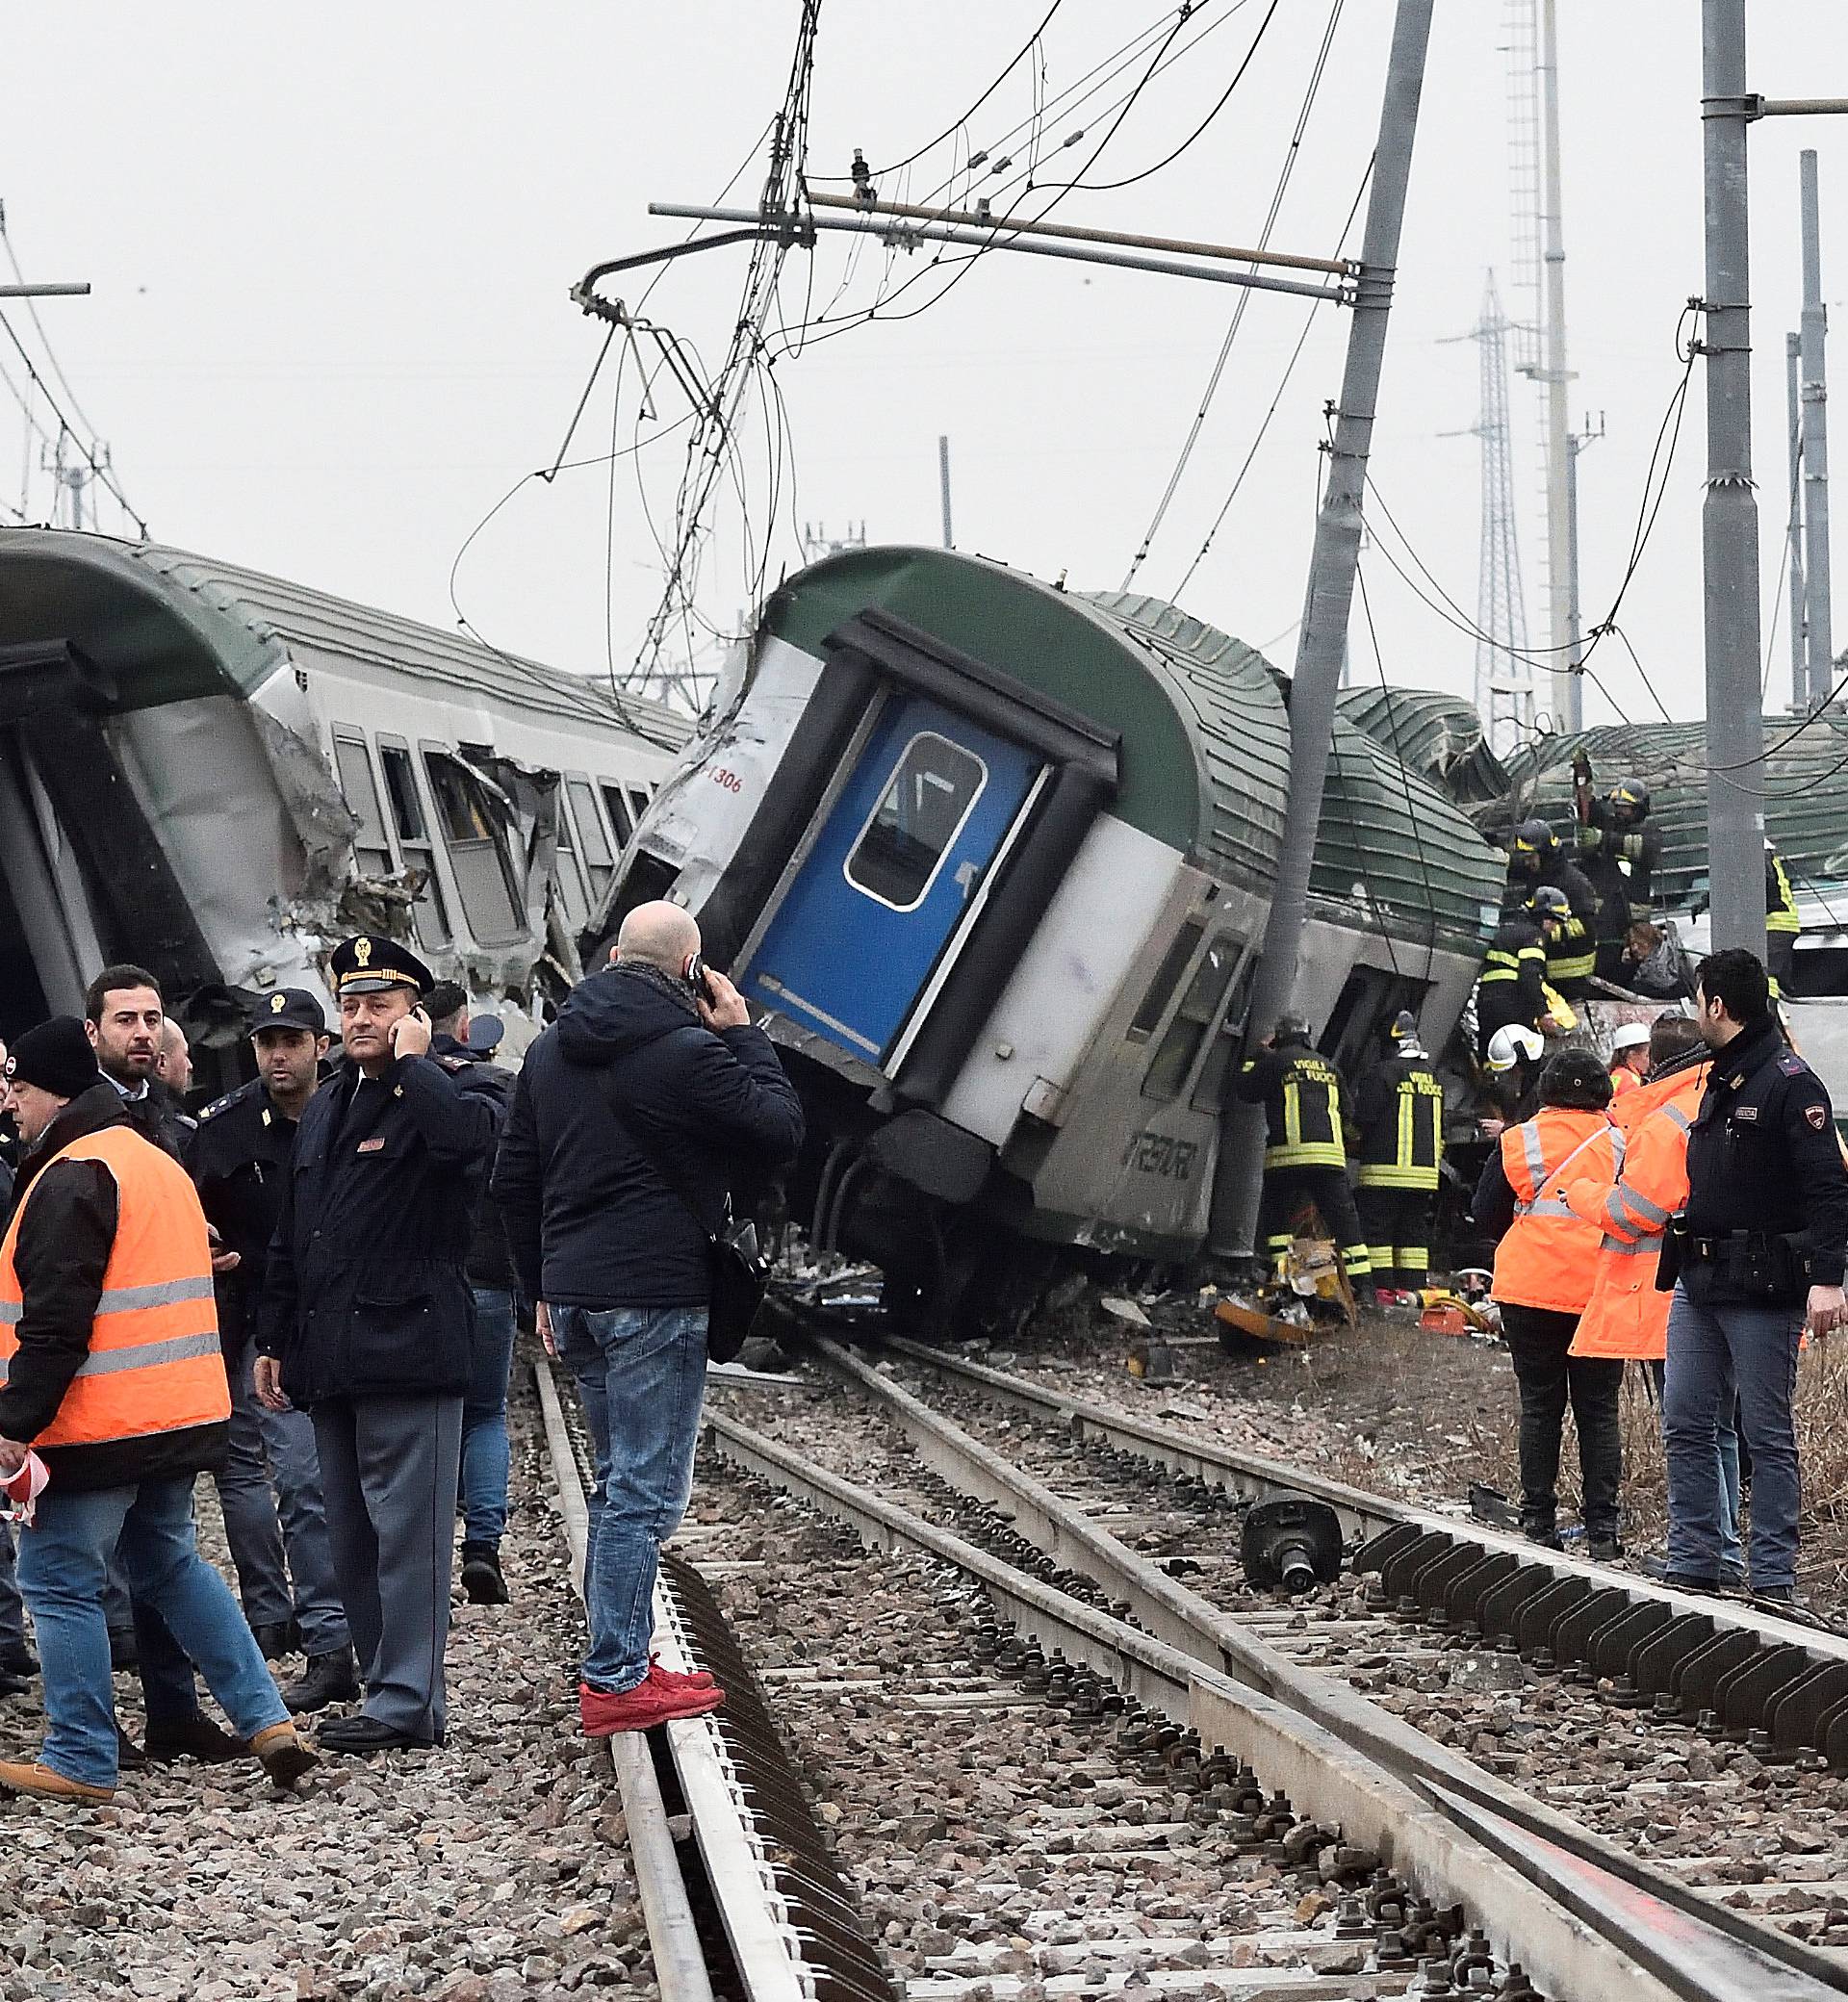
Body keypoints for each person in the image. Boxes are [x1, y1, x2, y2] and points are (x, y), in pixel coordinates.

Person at [492, 901, 803, 1735]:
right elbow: (779, 1130)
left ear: (615, 958)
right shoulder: (694, 1051)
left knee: (618, 1484)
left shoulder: (549, 1051)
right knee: (642, 1492)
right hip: (656, 1295)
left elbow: (513, 1179)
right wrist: (742, 1032)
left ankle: (623, 1649)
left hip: (580, 1296)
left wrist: (541, 1290)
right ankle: (617, 1676)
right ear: (690, 969)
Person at [0, 1018, 314, 1802]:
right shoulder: (152, 1159)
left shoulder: (73, 1173)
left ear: (57, 1092)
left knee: (59, 1580)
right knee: (170, 1563)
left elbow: (56, 1322)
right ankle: (267, 1720)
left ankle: (78, 1755)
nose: (11, 1105)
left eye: (21, 1090)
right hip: (176, 1413)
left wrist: (13, 1421)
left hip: (96, 1422)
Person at [256, 935, 502, 1752]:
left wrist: (414, 1065)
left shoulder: (453, 1087)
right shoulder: (327, 1104)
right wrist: (274, 1333)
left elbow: (469, 1147)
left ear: (414, 1017)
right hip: (331, 1353)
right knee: (350, 1532)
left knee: (409, 1537)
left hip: (409, 1346)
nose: (362, 1019)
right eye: (351, 1005)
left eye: (381, 1006)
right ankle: (379, 1684)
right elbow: (298, 1230)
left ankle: (409, 1702)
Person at [1660, 948, 1848, 1604]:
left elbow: (1829, 1189)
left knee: (1765, 1434)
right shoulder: (1723, 1076)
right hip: (1701, 1280)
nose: (1695, 1013)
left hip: (1764, 1287)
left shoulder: (1791, 1083)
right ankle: (1695, 1562)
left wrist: (1828, 1278)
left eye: (1697, 1000)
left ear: (1717, 1005)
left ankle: (1771, 1578)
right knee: (1684, 1418)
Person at [192, 988, 358, 1714]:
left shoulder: (359, 1110)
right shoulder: (226, 1134)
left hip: (359, 1320)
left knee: (366, 1482)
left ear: (322, 1045)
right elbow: (192, 1211)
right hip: (272, 1325)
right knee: (300, 1481)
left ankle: (373, 1627)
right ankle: (328, 1642)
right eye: (267, 1043)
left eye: (292, 1041)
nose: (278, 1056)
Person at [1560, 1014, 1744, 1581]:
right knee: (1724, 1427)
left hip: (1672, 1296)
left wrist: (1586, 1195)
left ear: (1655, 1062)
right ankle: (1728, 1547)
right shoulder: (1739, 1092)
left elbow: (1636, 1210)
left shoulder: (1669, 1115)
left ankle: (1705, 1551)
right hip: (1736, 1288)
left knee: (1691, 1428)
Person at [1471, 1049, 1624, 1555]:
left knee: (1541, 1407)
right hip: (1599, 1291)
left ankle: (1538, 1521)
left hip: (1529, 1290)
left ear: (1547, 1091)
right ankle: (1603, 1531)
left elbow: (1485, 1211)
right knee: (1598, 1410)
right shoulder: (1621, 1143)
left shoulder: (1520, 1140)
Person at [424, 981, 518, 1606]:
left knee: (424, 1417)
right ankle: (482, 1546)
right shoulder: (499, 1090)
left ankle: (422, 1553)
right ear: (464, 1029)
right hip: (489, 1274)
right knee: (485, 1412)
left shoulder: (391, 1086)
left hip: (422, 1280)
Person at [1237, 1016, 1375, 1307]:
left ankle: (1283, 1279)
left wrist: (1255, 1057)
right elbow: (1348, 1113)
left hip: (1287, 1159)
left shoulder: (1276, 1062)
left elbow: (1246, 1091)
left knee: (1277, 1225)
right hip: (1330, 1161)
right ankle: (1363, 1289)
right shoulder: (1329, 1066)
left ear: (1280, 1038)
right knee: (1346, 1226)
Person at [1350, 1011, 1445, 1299]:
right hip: (1424, 1176)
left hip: (1384, 1171)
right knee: (1413, 1235)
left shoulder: (1382, 1073)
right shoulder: (1431, 1075)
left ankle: (1380, 1289)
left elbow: (1363, 1120)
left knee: (1377, 1232)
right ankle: (1412, 1290)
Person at [85, 966, 194, 1162]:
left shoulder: (171, 1115)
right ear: (92, 1032)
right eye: (126, 1020)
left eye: (151, 1020)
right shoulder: (77, 1122)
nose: (143, 1033)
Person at [1574, 763, 1664, 979]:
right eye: (1618, 806)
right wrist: (1583, 780)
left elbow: (1642, 848)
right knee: (1605, 961)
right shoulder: (1610, 825)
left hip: (1633, 919)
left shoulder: (1649, 832)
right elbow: (1588, 810)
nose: (1619, 811)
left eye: (1625, 807)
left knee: (1632, 965)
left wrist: (1602, 839)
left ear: (1639, 809)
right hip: (1606, 918)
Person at [1480, 1023, 1545, 1136]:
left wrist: (1505, 1130)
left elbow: (1543, 1133)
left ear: (1520, 1064)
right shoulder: (1534, 1080)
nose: (1507, 1076)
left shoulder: (1548, 1090)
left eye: (1508, 1070)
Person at [1765, 840, 1802, 998]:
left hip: (1777, 925)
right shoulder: (1767, 858)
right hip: (1782, 925)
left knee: (1767, 977)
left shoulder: (1760, 858)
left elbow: (1760, 886)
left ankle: (1768, 1018)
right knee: (1783, 983)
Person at [1606, 1021, 1652, 1104]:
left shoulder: (1617, 1075)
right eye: (1647, 1055)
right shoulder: (1629, 1081)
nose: (1650, 1061)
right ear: (1632, 1055)